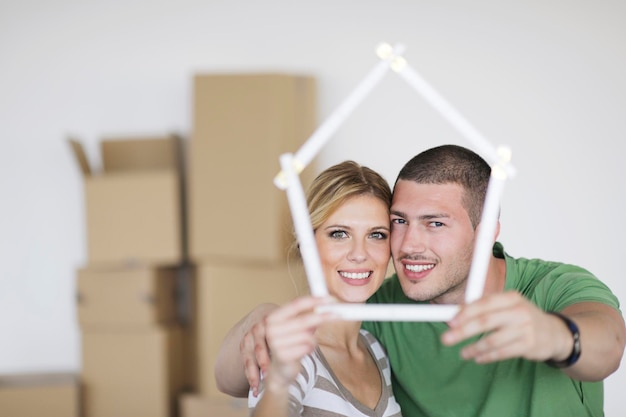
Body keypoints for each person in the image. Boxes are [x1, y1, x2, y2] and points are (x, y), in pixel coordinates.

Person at [215, 145, 626, 417]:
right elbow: (231, 379)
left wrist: (554, 335)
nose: (408, 244)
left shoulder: (552, 286)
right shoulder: (378, 307)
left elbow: (608, 344)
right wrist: (264, 316)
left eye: (435, 223)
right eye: (397, 223)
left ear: (486, 233)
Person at [244, 160, 403, 417]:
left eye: (376, 235)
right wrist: (278, 383)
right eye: (339, 233)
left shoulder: (375, 350)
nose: (359, 254)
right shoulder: (295, 351)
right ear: (306, 243)